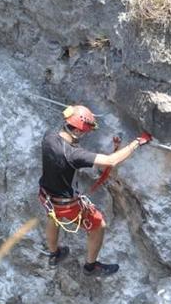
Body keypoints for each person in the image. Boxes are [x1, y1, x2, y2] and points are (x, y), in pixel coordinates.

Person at [38, 105, 151, 273]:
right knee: (98, 225)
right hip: (67, 205)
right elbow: (110, 161)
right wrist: (136, 143)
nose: (85, 135)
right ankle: (91, 266)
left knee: (53, 217)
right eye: (85, 132)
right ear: (77, 131)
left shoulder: (48, 137)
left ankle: (54, 253)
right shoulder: (74, 155)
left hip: (46, 196)